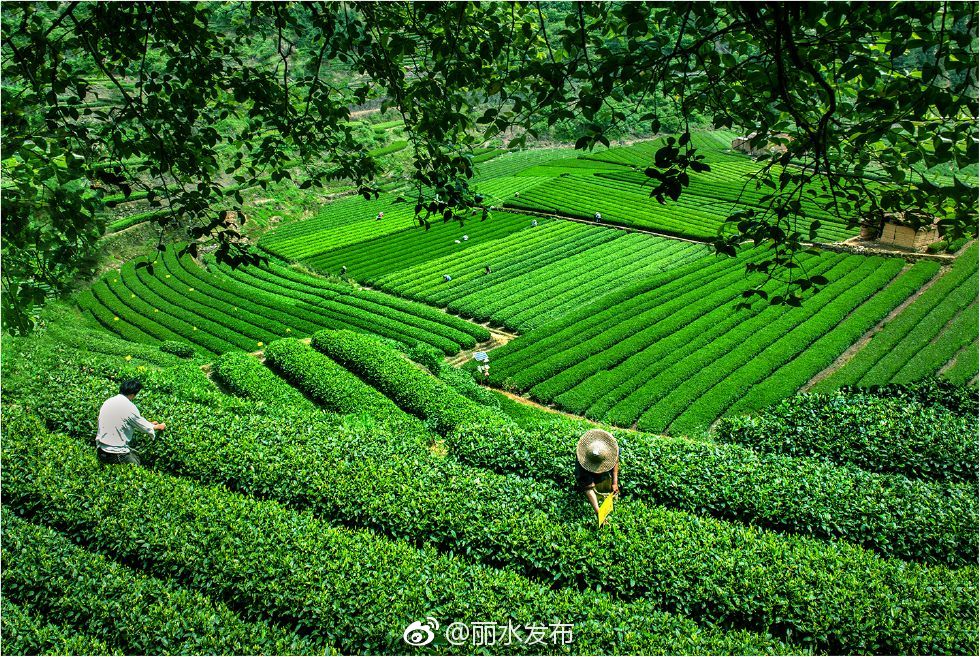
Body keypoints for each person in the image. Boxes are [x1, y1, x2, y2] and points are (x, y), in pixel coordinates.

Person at [95, 379, 165, 466]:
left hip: (101, 449)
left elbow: (128, 419)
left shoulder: (108, 401)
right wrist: (159, 426)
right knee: (136, 467)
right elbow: (140, 424)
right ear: (132, 394)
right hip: (115, 452)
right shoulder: (129, 407)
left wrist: (149, 423)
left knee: (136, 455)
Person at [575, 429, 619, 516]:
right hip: (586, 476)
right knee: (585, 484)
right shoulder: (582, 464)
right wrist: (599, 513)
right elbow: (588, 488)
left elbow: (616, 461)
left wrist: (615, 483)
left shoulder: (611, 449)